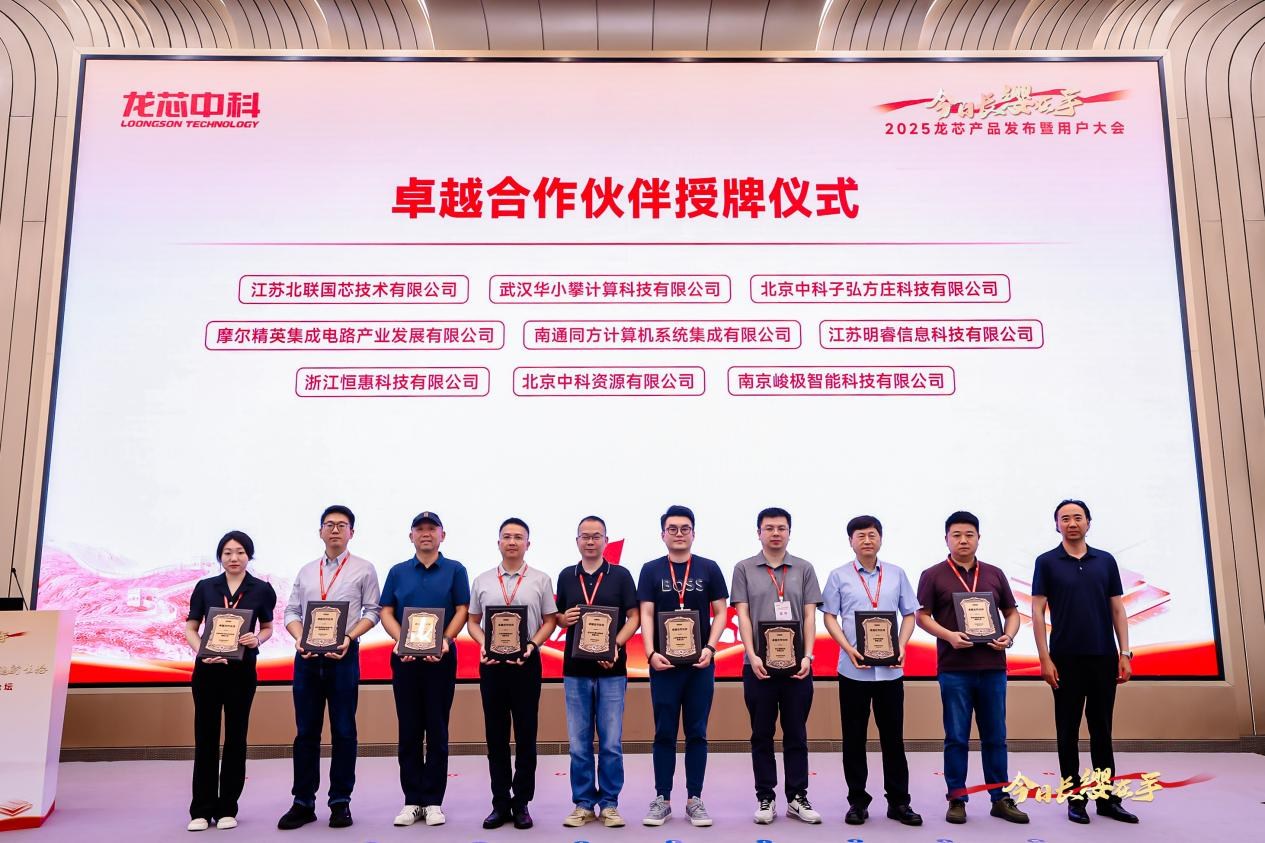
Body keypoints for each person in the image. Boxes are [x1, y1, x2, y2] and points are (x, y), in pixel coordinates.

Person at [915, 511, 1027, 824]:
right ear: (946, 539)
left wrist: (1008, 636)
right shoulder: (933, 575)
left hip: (993, 667)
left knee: (996, 736)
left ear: (978, 538)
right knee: (956, 737)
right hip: (954, 669)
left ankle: (999, 797)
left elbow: (1012, 613)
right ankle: (957, 798)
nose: (963, 540)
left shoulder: (994, 573)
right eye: (956, 535)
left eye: (969, 535)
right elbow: (922, 616)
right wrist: (949, 636)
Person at [1032, 499, 1138, 825]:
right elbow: (1037, 610)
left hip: (1103, 657)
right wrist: (1045, 658)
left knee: (1102, 730)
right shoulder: (1046, 562)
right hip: (1064, 659)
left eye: (1078, 517)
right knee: (1067, 732)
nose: (1072, 523)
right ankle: (1074, 799)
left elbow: (1117, 609)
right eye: (1065, 518)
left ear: (1089, 522)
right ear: (1057, 525)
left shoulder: (1105, 561)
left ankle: (1107, 799)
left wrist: (1124, 653)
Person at [277, 505, 381, 831]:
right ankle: (303, 803)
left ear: (352, 532)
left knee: (344, 732)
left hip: (343, 657)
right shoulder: (307, 571)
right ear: (320, 531)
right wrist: (299, 638)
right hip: (307, 659)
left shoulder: (364, 569)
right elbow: (291, 612)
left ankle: (340, 802)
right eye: (329, 525)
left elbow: (373, 611)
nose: (335, 530)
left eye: (342, 525)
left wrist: (349, 637)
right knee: (306, 733)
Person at [821, 514, 922, 827]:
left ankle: (899, 802)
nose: (867, 540)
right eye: (860, 535)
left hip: (890, 672)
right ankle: (857, 802)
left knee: (894, 739)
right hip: (853, 671)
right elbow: (829, 616)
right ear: (850, 541)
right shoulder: (838, 576)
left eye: (872, 534)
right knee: (854, 739)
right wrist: (847, 648)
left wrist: (901, 646)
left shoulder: (896, 573)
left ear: (881, 538)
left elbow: (910, 614)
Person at [637, 504, 729, 828]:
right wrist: (650, 653)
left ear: (693, 533)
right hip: (663, 667)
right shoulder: (650, 569)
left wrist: (711, 648)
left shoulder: (709, 568)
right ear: (662, 534)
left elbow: (721, 612)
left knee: (697, 733)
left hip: (699, 666)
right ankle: (662, 799)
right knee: (664, 732)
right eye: (672, 529)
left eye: (685, 528)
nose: (679, 534)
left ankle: (694, 799)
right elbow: (646, 613)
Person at [731, 507, 823, 825]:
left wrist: (808, 656)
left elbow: (809, 615)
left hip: (798, 667)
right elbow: (742, 615)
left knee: (796, 733)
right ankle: (766, 797)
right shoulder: (743, 568)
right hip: (758, 666)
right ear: (758, 532)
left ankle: (797, 797)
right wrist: (752, 654)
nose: (775, 533)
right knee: (762, 734)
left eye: (781, 528)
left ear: (789, 533)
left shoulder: (804, 568)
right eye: (769, 528)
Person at [379, 512, 470, 828]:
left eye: (432, 529)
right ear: (411, 536)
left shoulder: (455, 570)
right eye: (420, 529)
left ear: (442, 535)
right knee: (409, 730)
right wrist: (400, 640)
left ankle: (433, 801)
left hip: (441, 658)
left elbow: (462, 609)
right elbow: (386, 611)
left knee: (437, 729)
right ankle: (411, 800)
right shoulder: (398, 571)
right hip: (404, 660)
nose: (426, 533)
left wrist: (446, 640)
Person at [467, 517, 559, 831]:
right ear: (498, 543)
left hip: (526, 664)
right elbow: (473, 622)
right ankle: (499, 803)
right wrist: (484, 644)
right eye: (506, 536)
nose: (512, 542)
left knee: (526, 736)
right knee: (495, 738)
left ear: (527, 544)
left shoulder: (541, 580)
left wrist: (533, 644)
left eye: (518, 537)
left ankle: (521, 803)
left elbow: (550, 620)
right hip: (492, 666)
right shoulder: (482, 580)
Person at [183, 530, 277, 832]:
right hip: (207, 673)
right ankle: (201, 810)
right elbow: (191, 628)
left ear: (249, 555)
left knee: (236, 739)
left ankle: (227, 808)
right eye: (227, 552)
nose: (234, 558)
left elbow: (268, 627)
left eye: (240, 552)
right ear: (220, 556)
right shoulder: (205, 587)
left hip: (242, 673)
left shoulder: (261, 589)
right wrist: (202, 652)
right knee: (205, 739)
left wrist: (256, 639)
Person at [555, 515, 640, 829]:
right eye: (585, 536)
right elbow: (557, 618)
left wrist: (615, 644)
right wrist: (563, 619)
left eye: (596, 536)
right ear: (577, 540)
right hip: (575, 671)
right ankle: (583, 804)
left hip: (612, 670)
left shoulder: (621, 575)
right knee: (578, 745)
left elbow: (634, 617)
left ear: (606, 540)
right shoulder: (566, 576)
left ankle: (610, 804)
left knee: (610, 744)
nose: (590, 541)